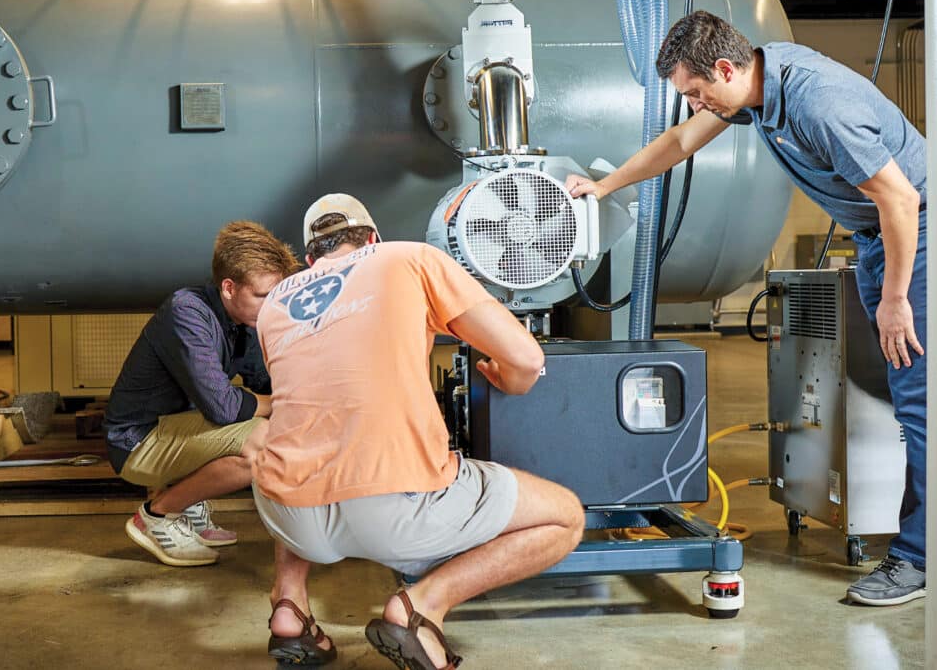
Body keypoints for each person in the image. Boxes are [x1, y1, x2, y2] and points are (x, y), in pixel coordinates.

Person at [566, 11, 927, 607]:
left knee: (918, 401)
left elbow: (902, 197)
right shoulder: (756, 90)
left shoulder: (818, 103)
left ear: (727, 68)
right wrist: (604, 189)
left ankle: (919, 558)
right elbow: (680, 142)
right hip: (876, 238)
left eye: (697, 91)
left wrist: (894, 300)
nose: (695, 103)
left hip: (918, 228)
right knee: (905, 392)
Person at [248, 194, 585, 667]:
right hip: (394, 512)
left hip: (290, 517)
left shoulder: (276, 302)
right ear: (372, 238)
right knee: (565, 516)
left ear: (309, 259)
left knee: (301, 434)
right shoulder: (408, 257)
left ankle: (289, 605)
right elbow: (527, 358)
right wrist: (511, 378)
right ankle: (420, 607)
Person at [105, 221, 300, 567]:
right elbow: (223, 407)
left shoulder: (245, 322)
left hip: (178, 427)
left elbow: (265, 383)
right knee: (262, 443)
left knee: (279, 425)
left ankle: (188, 505)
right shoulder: (187, 311)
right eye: (263, 296)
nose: (272, 306)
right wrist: (283, 402)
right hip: (136, 442)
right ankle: (158, 515)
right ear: (229, 287)